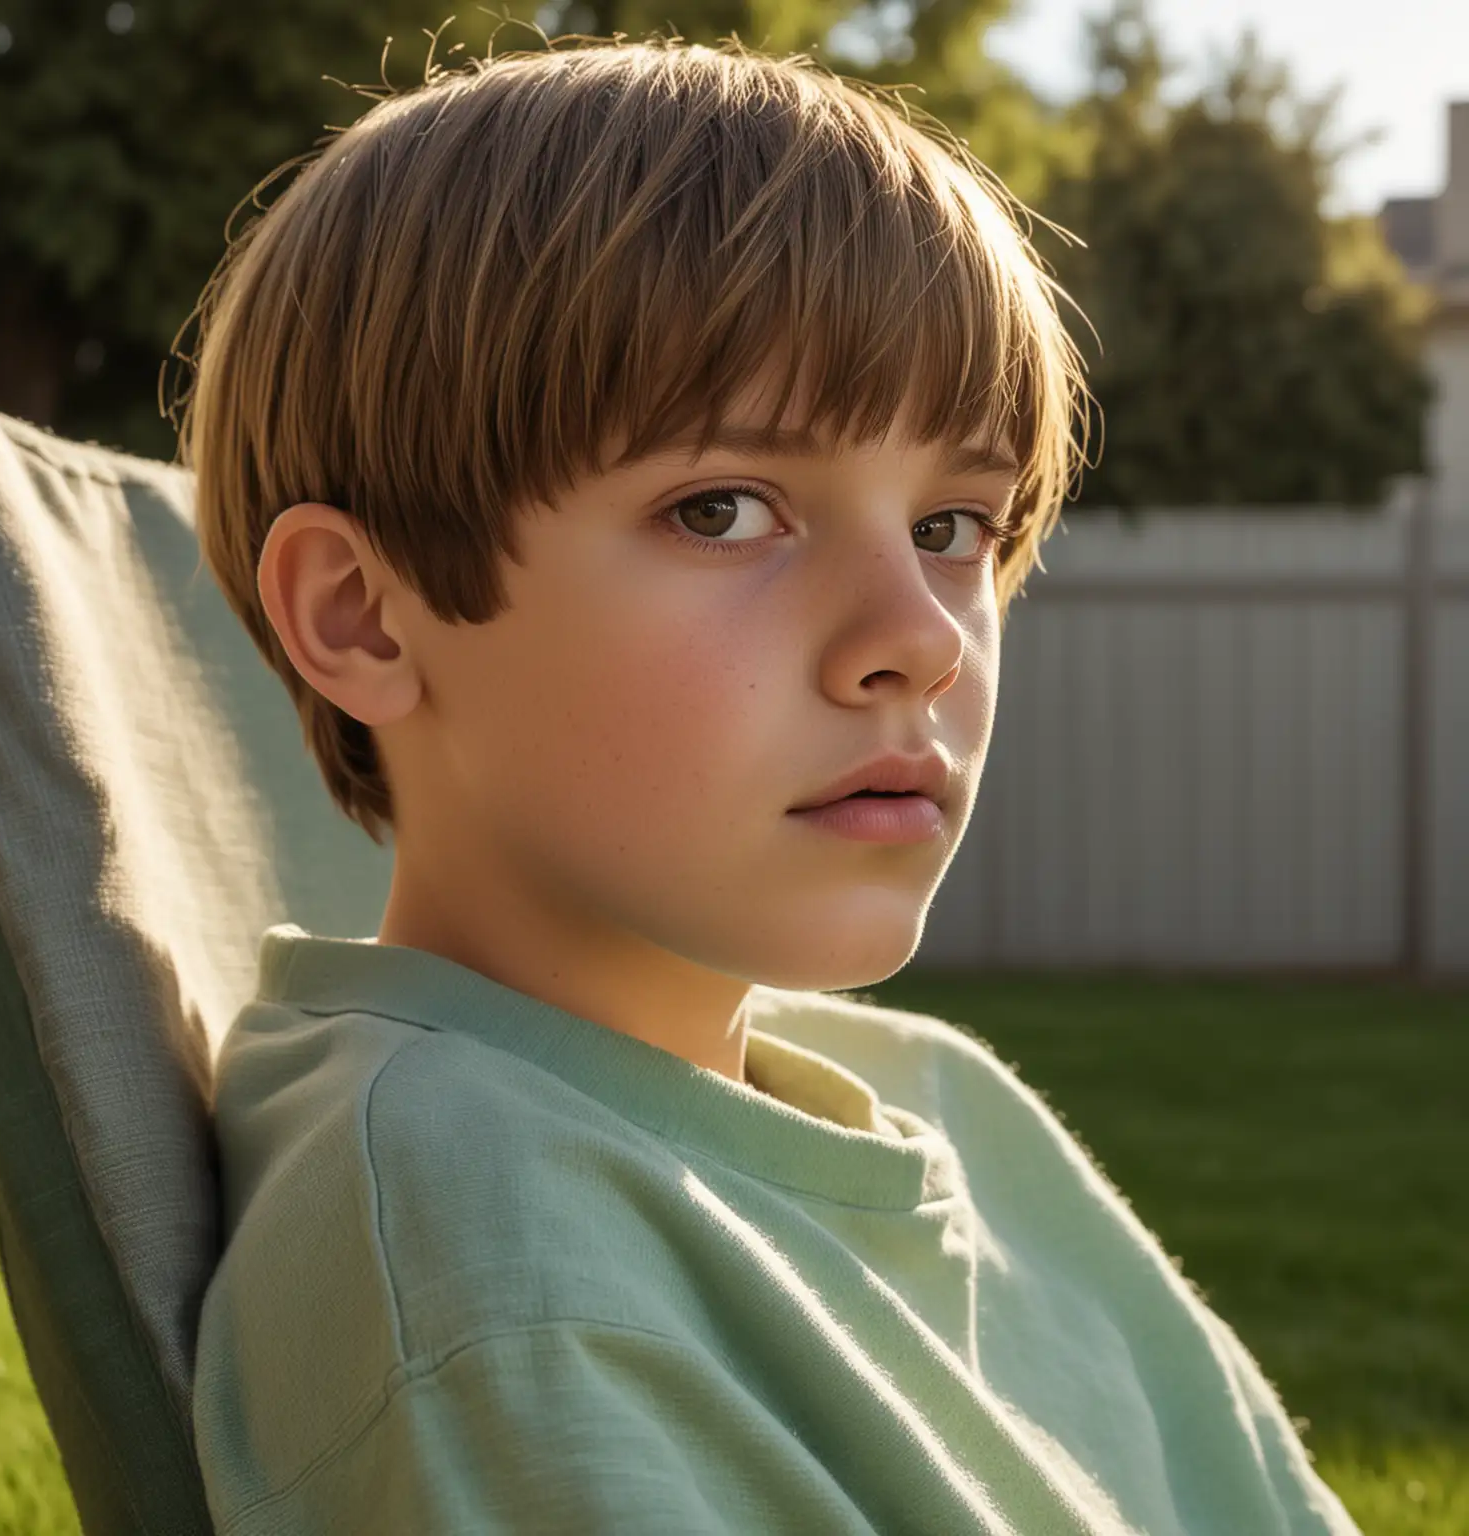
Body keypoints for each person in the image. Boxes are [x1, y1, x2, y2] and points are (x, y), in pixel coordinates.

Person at [180, 34, 1360, 1534]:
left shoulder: (946, 1103)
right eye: (725, 509)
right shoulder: (487, 1259)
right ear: (363, 612)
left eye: (955, 526)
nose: (919, 641)